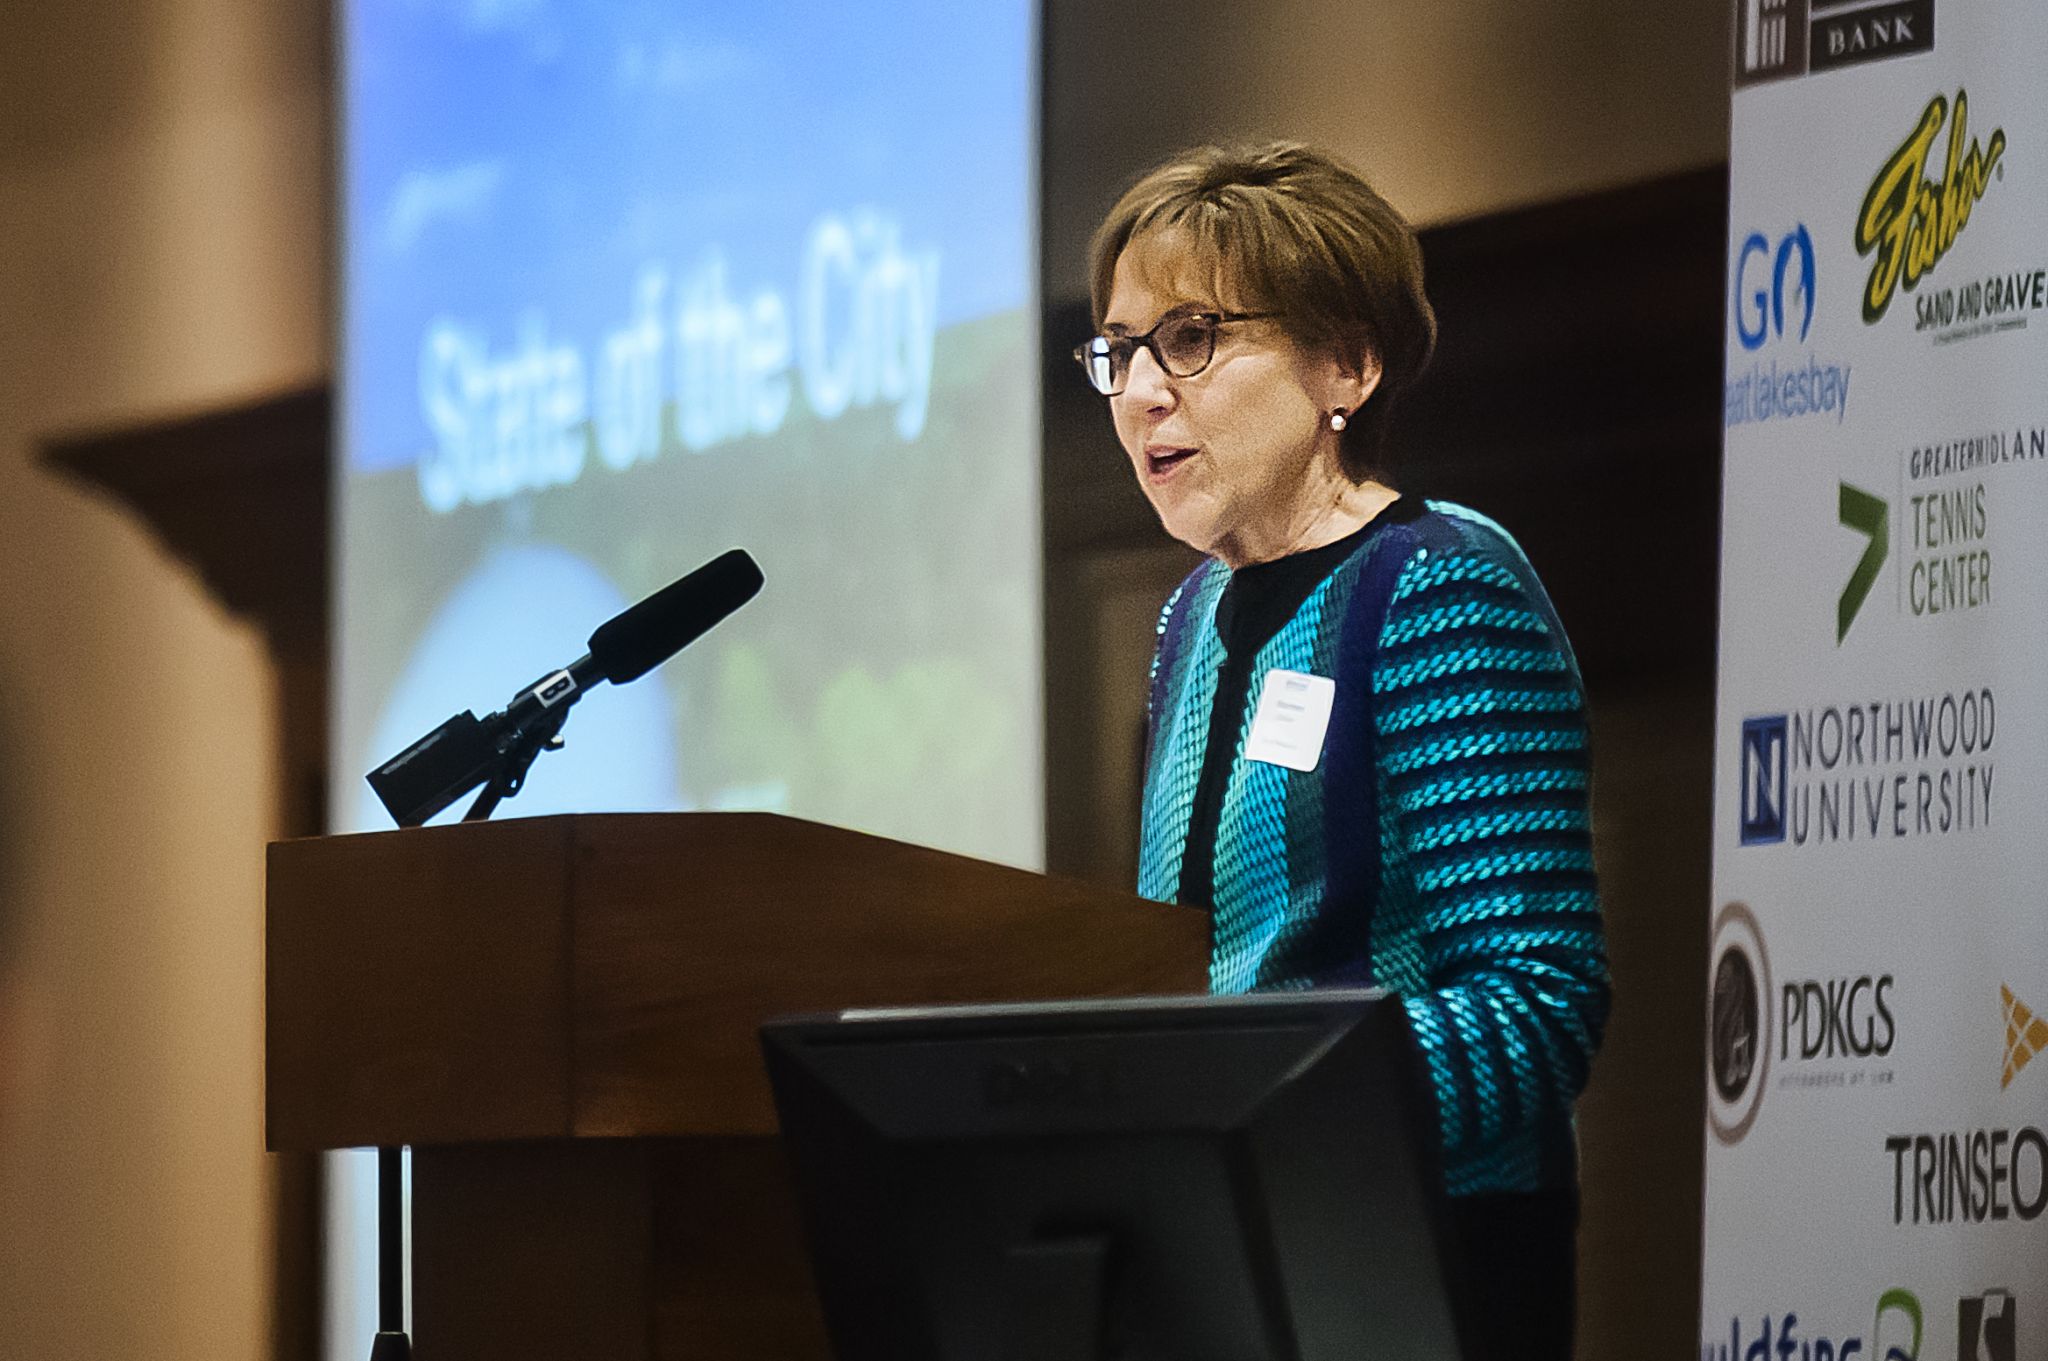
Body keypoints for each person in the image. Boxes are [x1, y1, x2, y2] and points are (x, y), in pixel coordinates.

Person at [1078, 142, 1610, 1360]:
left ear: (1347, 366)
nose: (1141, 391)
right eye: (1118, 350)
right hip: (1215, 1232)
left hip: (1420, 1247)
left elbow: (1538, 1002)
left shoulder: (1436, 584)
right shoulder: (1186, 622)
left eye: (1191, 337)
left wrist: (1255, 1104)